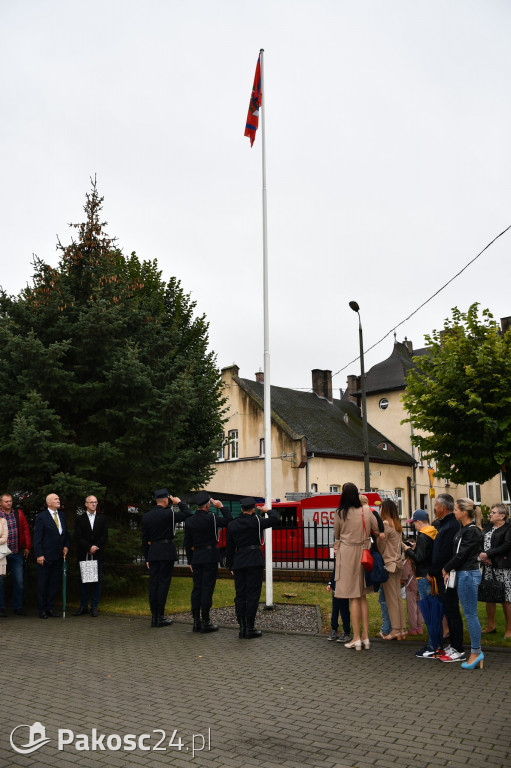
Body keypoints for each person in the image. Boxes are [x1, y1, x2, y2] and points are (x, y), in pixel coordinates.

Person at [333, 482, 379, 650]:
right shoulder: (367, 510)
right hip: (364, 553)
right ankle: (366, 637)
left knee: (353, 596)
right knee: (362, 596)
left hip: (347, 554)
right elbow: (376, 528)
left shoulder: (340, 513)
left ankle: (357, 638)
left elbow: (337, 534)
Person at [225, 497, 278, 639]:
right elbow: (275, 520)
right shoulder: (257, 521)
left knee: (240, 595)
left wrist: (230, 565)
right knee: (252, 595)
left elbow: (229, 548)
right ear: (253, 509)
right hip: (254, 561)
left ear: (242, 508)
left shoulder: (232, 524)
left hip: (239, 561)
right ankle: (250, 627)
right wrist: (268, 511)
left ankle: (242, 628)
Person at [442, 498, 483, 669]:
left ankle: (476, 652)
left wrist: (446, 568)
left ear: (464, 512)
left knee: (470, 614)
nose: (454, 512)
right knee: (469, 613)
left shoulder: (471, 531)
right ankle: (475, 652)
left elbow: (462, 555)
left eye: (457, 509)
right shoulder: (464, 529)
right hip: (462, 573)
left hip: (467, 574)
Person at [142, 488, 192, 627]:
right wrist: (179, 503)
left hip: (153, 553)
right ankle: (160, 616)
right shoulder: (169, 514)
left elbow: (144, 539)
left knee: (153, 584)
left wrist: (147, 557)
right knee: (163, 584)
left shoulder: (146, 516)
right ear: (165, 500)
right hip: (166, 552)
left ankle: (154, 616)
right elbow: (188, 514)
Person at [184, 491, 232, 633]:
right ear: (207, 505)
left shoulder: (190, 521)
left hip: (197, 556)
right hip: (210, 557)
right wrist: (221, 506)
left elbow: (187, 543)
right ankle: (205, 621)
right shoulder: (212, 517)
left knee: (197, 588)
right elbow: (229, 520)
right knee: (207, 589)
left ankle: (196, 622)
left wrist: (190, 560)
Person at [423, 493, 464, 660]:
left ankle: (458, 647)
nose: (434, 508)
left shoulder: (450, 526)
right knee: (449, 609)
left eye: (436, 505)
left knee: (452, 610)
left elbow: (443, 553)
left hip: (447, 574)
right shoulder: (446, 525)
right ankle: (454, 644)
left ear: (442, 507)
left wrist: (433, 571)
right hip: (443, 573)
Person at [33, 493, 70, 618]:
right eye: (56, 499)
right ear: (49, 503)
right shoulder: (41, 517)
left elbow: (65, 534)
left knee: (54, 583)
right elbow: (37, 538)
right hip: (45, 556)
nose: (59, 500)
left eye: (59, 498)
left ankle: (50, 608)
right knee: (43, 584)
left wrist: (66, 546)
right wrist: (39, 555)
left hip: (58, 556)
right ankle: (42, 609)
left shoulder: (62, 515)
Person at [403, 510, 437, 643]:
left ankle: (432, 642)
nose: (413, 526)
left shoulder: (423, 535)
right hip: (431, 573)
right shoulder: (433, 532)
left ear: (419, 522)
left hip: (423, 575)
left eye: (414, 523)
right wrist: (417, 547)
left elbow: (419, 558)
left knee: (426, 608)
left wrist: (408, 551)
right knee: (431, 606)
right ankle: (434, 638)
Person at [73, 495, 109, 617]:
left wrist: (96, 546)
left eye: (95, 502)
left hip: (98, 554)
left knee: (96, 581)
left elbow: (104, 536)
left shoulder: (102, 518)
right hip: (85, 554)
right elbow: (78, 537)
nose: (94, 504)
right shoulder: (80, 519)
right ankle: (83, 606)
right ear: (86, 504)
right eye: (91, 502)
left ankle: (94, 606)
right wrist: (89, 547)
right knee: (85, 580)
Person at [479, 503, 511, 638]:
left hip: (503, 568)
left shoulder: (508, 529)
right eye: (491, 512)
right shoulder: (487, 528)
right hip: (487, 567)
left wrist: (489, 554)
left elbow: (507, 545)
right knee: (489, 596)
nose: (490, 514)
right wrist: (482, 556)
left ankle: (509, 629)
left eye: (494, 512)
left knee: (506, 598)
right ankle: (491, 626)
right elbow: (479, 543)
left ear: (502, 516)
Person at [378, 498, 406, 640]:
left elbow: (380, 546)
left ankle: (395, 629)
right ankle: (401, 629)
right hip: (398, 564)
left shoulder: (385, 525)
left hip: (389, 565)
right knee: (398, 598)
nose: (379, 510)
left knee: (391, 600)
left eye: (381, 507)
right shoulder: (397, 524)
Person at [0, 493, 32, 617]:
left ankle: (17, 607)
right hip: (1, 554)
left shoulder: (17, 513)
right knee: (1, 581)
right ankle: (1, 607)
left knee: (19, 581)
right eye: (6, 501)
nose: (9, 503)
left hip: (15, 551)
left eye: (10, 501)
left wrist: (28, 547)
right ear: (1, 503)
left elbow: (25, 529)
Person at [325, 564, 352, 643]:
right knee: (335, 610)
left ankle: (346, 632)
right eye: (334, 550)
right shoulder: (337, 561)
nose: (334, 552)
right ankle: (334, 629)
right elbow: (334, 574)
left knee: (344, 611)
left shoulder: (345, 561)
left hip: (343, 591)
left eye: (336, 550)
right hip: (335, 591)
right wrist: (330, 584)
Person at [400, 558, 423, 635]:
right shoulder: (420, 559)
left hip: (410, 587)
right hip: (420, 585)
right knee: (420, 608)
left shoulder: (408, 562)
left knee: (412, 608)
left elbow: (404, 577)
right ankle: (420, 628)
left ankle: (413, 629)